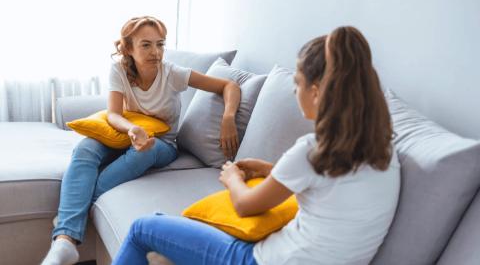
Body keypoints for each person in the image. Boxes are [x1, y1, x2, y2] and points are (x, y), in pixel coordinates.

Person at [112, 26, 401, 265]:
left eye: (297, 82)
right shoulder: (383, 149)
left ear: (315, 92)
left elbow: (246, 205)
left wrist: (232, 177)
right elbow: (330, 187)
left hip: (257, 260)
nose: (294, 89)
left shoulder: (312, 150)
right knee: (166, 241)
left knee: (143, 228)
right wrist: (270, 169)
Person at [41, 16, 241, 265]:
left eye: (160, 44)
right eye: (146, 45)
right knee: (85, 149)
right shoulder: (119, 70)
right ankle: (64, 244)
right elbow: (113, 114)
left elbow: (229, 86)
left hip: (163, 144)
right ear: (128, 48)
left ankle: (69, 221)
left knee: (143, 152)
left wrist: (228, 118)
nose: (156, 52)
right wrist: (133, 129)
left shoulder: (172, 74)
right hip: (127, 134)